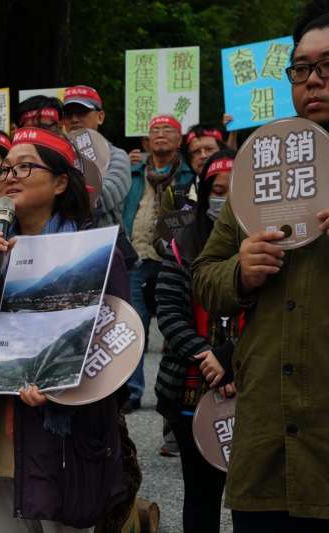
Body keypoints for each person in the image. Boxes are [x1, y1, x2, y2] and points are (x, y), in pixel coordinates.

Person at [0, 127, 129, 533]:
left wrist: (62, 385)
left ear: (61, 181)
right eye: (5, 168)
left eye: (25, 167)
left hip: (65, 432)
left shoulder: (91, 249)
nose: (9, 175)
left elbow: (119, 339)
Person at [192, 5, 329, 531]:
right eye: (301, 68)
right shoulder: (263, 164)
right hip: (267, 435)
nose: (313, 80)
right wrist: (240, 272)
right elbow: (205, 275)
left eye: (326, 66)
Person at [155, 150, 238, 533]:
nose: (224, 198)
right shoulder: (182, 243)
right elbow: (169, 312)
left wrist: (232, 359)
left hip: (251, 382)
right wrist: (207, 355)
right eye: (216, 190)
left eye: (233, 189)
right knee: (201, 495)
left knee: (249, 496)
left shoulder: (271, 241)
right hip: (189, 384)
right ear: (203, 194)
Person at [122, 114, 195, 412]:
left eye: (168, 130)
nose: (161, 134)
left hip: (173, 261)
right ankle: (132, 392)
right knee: (133, 327)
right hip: (136, 257)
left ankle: (172, 396)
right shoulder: (134, 172)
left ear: (179, 140)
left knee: (175, 327)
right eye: (155, 130)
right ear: (146, 140)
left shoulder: (188, 176)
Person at [61, 85, 132, 229]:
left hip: (106, 243)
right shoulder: (55, 156)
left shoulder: (117, 156)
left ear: (100, 117)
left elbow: (106, 194)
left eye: (82, 112)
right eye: (68, 114)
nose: (74, 119)